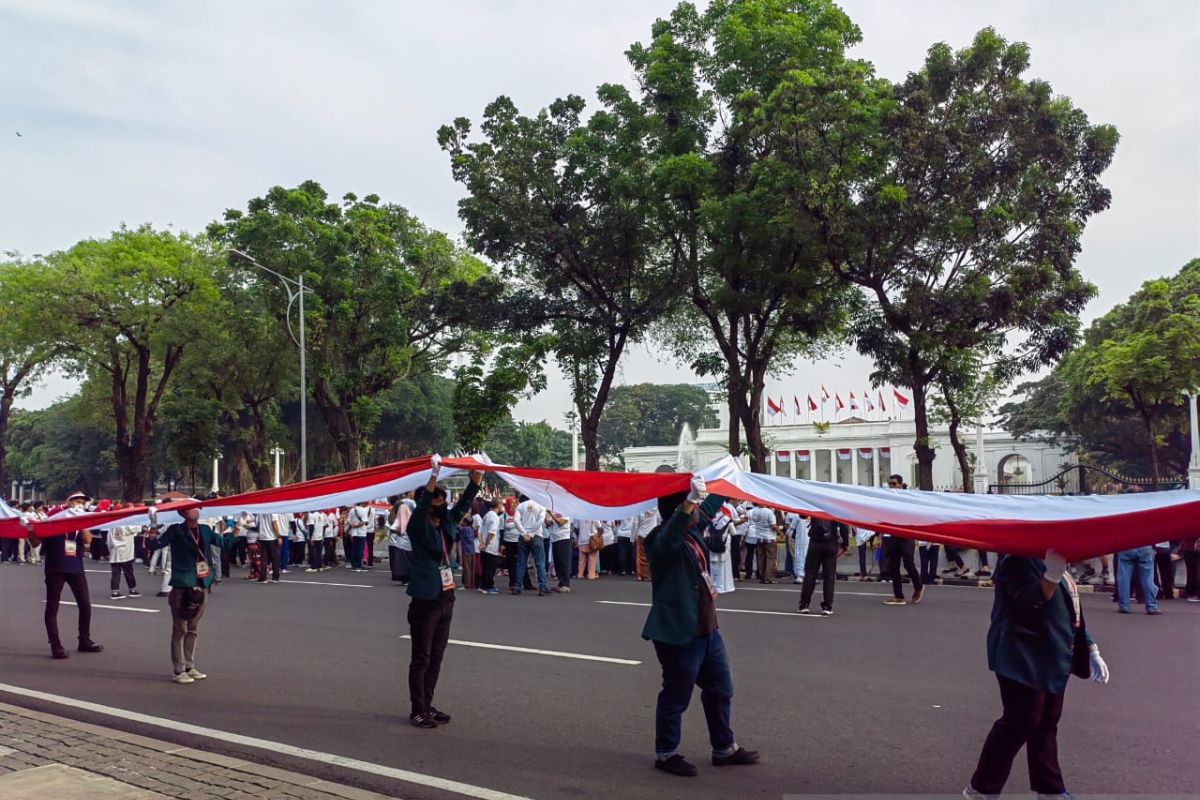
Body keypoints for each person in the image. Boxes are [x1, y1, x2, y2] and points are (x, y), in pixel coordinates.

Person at [963, 550, 1110, 798]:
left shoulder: (1055, 561)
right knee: (1020, 722)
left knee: (1046, 722)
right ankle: (981, 789)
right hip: (1021, 656)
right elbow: (1026, 608)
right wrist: (1051, 576)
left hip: (1053, 655)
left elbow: (1071, 610)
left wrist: (1090, 646)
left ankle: (1050, 789)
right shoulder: (1017, 561)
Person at [642, 477, 758, 777]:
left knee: (721, 689)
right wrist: (688, 503)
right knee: (676, 695)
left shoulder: (692, 531)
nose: (697, 512)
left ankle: (724, 748)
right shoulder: (659, 539)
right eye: (690, 506)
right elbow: (670, 536)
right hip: (679, 633)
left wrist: (726, 480)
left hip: (707, 629)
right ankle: (666, 753)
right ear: (679, 508)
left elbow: (707, 508)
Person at [404, 456, 482, 729]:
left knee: (436, 657)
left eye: (442, 500)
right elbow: (424, 502)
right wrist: (434, 476)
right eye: (438, 500)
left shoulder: (446, 523)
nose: (442, 503)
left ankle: (428, 704)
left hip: (446, 597)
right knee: (421, 658)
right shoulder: (417, 526)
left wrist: (477, 479)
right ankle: (417, 709)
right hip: (425, 600)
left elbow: (463, 504)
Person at [148, 507, 220, 684]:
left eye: (196, 507)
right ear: (182, 513)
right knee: (180, 629)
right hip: (182, 585)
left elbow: (223, 543)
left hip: (201, 585)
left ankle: (190, 666)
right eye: (187, 509)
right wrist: (153, 525)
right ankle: (179, 669)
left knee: (193, 629)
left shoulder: (205, 529)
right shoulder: (176, 530)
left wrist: (232, 527)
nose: (193, 510)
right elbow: (154, 545)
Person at [29, 491, 104, 659]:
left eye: (82, 502)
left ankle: (84, 640)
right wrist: (30, 528)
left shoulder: (79, 519)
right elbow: (35, 542)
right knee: (52, 607)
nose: (79, 504)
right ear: (68, 501)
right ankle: (56, 646)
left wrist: (81, 521)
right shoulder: (52, 517)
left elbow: (88, 540)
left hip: (76, 567)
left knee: (85, 604)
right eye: (76, 501)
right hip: (55, 567)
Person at [797, 516, 849, 616]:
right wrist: (845, 543)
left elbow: (802, 515)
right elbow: (843, 524)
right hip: (831, 542)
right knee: (829, 576)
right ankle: (827, 606)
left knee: (810, 574)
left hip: (815, 542)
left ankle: (804, 604)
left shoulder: (816, 504)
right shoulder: (834, 506)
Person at [513, 494, 549, 596]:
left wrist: (524, 533)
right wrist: (532, 534)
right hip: (537, 536)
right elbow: (540, 521)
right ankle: (542, 587)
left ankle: (517, 586)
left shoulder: (520, 506)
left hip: (523, 536)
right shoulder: (541, 506)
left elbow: (516, 521)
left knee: (521, 563)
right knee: (540, 563)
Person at [1115, 544, 1160, 614]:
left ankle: (1124, 606)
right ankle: (1152, 606)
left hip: (1126, 545)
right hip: (1145, 545)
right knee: (1148, 578)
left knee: (1123, 577)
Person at [108, 523, 140, 600]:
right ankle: (132, 589)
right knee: (128, 571)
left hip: (115, 550)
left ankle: (115, 591)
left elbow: (108, 539)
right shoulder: (127, 523)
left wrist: (110, 549)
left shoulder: (112, 525)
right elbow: (136, 528)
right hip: (125, 550)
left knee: (116, 572)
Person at [546, 509, 573, 593]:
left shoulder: (567, 511)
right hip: (554, 538)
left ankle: (566, 584)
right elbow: (548, 524)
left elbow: (561, 522)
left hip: (563, 537)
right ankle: (561, 583)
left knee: (564, 562)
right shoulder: (553, 511)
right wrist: (546, 517)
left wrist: (551, 514)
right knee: (557, 562)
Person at [479, 498, 502, 595]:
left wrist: (481, 543)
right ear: (498, 505)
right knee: (490, 568)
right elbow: (491, 533)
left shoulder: (486, 515)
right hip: (491, 546)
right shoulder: (495, 517)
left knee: (485, 567)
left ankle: (484, 585)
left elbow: (480, 531)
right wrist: (486, 544)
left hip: (484, 546)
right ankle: (487, 586)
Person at [256, 512, 281, 583]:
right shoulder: (273, 512)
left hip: (262, 537)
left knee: (263, 558)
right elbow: (274, 523)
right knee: (275, 558)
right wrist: (279, 536)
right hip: (272, 537)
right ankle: (275, 577)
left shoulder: (260, 513)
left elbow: (258, 525)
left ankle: (263, 577)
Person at [634, 507, 659, 581]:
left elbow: (636, 524)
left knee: (640, 556)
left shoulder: (640, 511)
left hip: (641, 534)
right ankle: (651, 574)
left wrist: (633, 537)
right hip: (652, 533)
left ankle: (640, 575)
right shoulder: (655, 510)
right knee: (651, 555)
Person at [347, 501, 371, 571]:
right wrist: (357, 526)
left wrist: (353, 525)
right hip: (361, 532)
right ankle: (359, 565)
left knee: (354, 549)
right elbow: (364, 521)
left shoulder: (352, 510)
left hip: (354, 532)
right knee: (360, 549)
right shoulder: (363, 510)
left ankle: (354, 564)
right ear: (361, 503)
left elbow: (348, 520)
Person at [457, 513, 478, 591]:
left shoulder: (465, 529)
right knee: (471, 568)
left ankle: (467, 584)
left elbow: (458, 526)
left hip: (466, 550)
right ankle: (471, 584)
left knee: (467, 568)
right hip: (472, 550)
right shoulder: (471, 529)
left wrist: (461, 519)